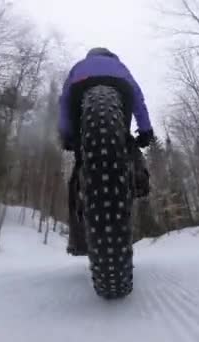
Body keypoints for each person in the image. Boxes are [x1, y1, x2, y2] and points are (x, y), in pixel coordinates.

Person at [58, 47, 155, 256]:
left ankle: (78, 241)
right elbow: (138, 97)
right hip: (121, 90)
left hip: (79, 90)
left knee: (78, 170)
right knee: (129, 145)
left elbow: (64, 100)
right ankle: (140, 182)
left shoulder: (79, 66)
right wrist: (146, 130)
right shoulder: (120, 67)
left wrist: (66, 134)